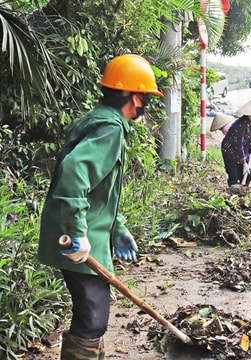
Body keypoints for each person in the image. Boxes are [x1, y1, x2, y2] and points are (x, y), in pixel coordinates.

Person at [37, 54, 163, 358]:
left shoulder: (99, 120)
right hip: (77, 237)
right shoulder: (111, 128)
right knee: (93, 318)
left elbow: (98, 190)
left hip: (84, 230)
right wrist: (77, 233)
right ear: (136, 98)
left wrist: (116, 227)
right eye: (146, 98)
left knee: (92, 315)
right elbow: (73, 174)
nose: (145, 106)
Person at [221, 98, 251, 187]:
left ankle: (243, 193)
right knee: (234, 178)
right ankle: (232, 197)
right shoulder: (240, 125)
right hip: (230, 151)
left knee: (246, 176)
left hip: (244, 150)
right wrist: (244, 162)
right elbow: (238, 145)